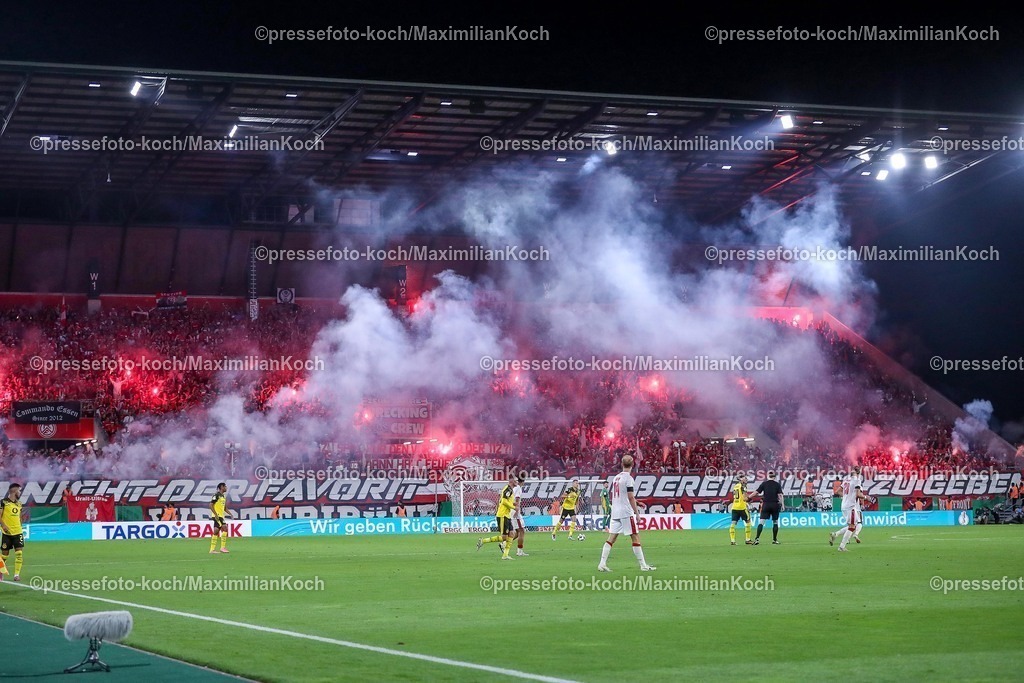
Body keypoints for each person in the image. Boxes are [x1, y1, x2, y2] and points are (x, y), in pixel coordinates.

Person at [598, 455, 655, 572]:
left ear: (621, 464)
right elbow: (630, 496)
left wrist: (638, 503)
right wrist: (637, 513)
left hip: (615, 512)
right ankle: (643, 565)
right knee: (635, 536)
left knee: (611, 538)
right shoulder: (629, 479)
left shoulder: (615, 478)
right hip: (625, 512)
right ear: (633, 464)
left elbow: (621, 495)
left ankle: (602, 563)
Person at [476, 474, 516, 560]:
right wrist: (514, 507)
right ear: (511, 481)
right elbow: (504, 502)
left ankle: (505, 555)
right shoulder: (507, 489)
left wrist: (513, 504)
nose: (517, 481)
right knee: (504, 537)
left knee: (512, 534)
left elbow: (505, 501)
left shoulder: (511, 490)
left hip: (507, 515)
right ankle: (483, 541)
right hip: (502, 515)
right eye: (515, 480)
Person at [830, 466, 868, 551]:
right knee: (853, 526)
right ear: (858, 474)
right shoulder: (857, 481)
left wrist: (846, 497)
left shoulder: (846, 481)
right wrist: (866, 497)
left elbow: (837, 492)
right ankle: (842, 546)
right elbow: (858, 494)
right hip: (851, 506)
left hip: (844, 505)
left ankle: (836, 535)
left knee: (852, 526)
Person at [0, 483, 24, 581]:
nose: (20, 492)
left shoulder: (19, 504)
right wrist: (3, 525)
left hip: (18, 532)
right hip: (7, 533)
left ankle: (16, 575)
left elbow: (19, 517)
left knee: (19, 553)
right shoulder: (3, 502)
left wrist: (20, 526)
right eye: (19, 490)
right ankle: (1, 572)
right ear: (14, 491)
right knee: (4, 555)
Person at [752, 471, 784, 545]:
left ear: (768, 476)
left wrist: (749, 497)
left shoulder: (764, 484)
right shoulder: (777, 484)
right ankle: (774, 539)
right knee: (775, 522)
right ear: (774, 477)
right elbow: (780, 495)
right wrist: (782, 505)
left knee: (761, 522)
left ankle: (757, 539)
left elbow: (756, 492)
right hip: (774, 504)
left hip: (766, 504)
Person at [729, 475, 754, 545]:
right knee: (748, 521)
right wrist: (750, 498)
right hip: (742, 507)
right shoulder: (743, 486)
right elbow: (744, 498)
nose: (746, 480)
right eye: (745, 478)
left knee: (733, 523)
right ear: (741, 480)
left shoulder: (735, 486)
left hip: (734, 507)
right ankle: (748, 539)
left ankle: (732, 540)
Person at [209, 482, 231, 554]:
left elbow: (224, 508)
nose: (226, 488)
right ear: (221, 487)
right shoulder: (216, 495)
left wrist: (230, 514)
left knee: (216, 532)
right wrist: (215, 514)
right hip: (217, 516)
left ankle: (212, 550)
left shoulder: (223, 496)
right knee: (225, 528)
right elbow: (211, 505)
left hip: (221, 516)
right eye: (225, 486)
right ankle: (222, 548)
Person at [512, 472, 528, 556]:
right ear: (523, 481)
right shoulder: (518, 488)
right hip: (515, 512)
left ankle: (504, 544)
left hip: (512, 510)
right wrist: (517, 511)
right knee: (522, 531)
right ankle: (519, 551)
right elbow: (517, 499)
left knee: (518, 532)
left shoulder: (514, 487)